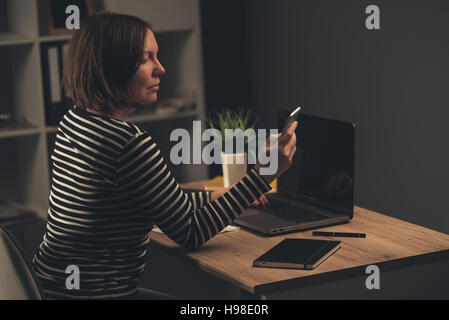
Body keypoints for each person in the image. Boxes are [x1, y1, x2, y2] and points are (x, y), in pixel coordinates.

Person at [32, 12, 297, 300]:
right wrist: (261, 177)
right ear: (111, 68)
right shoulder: (128, 144)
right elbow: (190, 233)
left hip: (51, 288)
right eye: (146, 58)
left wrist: (221, 195)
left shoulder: (75, 120)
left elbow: (157, 201)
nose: (161, 69)